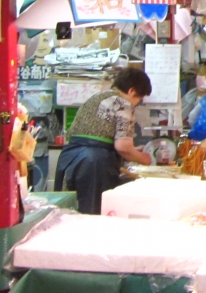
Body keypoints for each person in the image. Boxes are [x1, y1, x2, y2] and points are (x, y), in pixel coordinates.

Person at [54, 67, 155, 215]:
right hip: (93, 163)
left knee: (69, 214)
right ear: (131, 91)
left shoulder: (98, 96)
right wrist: (143, 158)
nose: (137, 103)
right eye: (139, 99)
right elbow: (123, 147)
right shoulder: (123, 103)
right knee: (92, 215)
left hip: (69, 158)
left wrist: (133, 151)